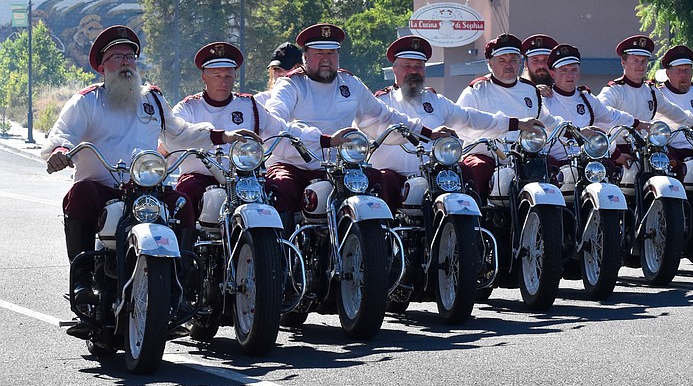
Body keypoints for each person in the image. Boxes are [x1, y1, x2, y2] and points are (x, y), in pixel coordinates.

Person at [42, 26, 245, 301]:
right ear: (102, 67)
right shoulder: (87, 100)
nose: (126, 62)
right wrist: (60, 151)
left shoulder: (153, 99)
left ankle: (179, 288)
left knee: (183, 205)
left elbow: (180, 133)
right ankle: (82, 282)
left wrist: (223, 135)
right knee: (79, 194)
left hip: (147, 189)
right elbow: (62, 133)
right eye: (117, 57)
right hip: (103, 188)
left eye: (130, 56)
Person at [262, 23, 442, 214]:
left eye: (331, 53)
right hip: (294, 165)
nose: (326, 59)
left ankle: (383, 237)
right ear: (305, 57)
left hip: (339, 168)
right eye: (319, 53)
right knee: (281, 187)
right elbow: (273, 122)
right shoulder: (290, 85)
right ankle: (280, 242)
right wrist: (324, 140)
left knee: (377, 181)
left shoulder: (350, 83)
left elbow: (382, 116)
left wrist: (426, 133)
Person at [171, 41, 321, 218]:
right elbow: (176, 135)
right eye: (216, 75)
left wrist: (326, 141)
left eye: (228, 76)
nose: (223, 82)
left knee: (276, 192)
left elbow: (281, 131)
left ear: (235, 75)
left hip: (245, 178)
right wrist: (219, 137)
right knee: (184, 198)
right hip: (200, 176)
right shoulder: (187, 107)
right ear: (204, 76)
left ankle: (279, 243)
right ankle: (186, 245)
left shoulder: (249, 105)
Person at [365, 36, 540, 182]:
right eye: (407, 66)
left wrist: (516, 123)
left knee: (465, 175)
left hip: (433, 177)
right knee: (382, 180)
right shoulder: (380, 102)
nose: (414, 71)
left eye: (419, 66)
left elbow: (469, 118)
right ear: (394, 69)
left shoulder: (437, 101)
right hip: (394, 179)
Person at [456, 34, 544, 198]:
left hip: (522, 155)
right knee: (478, 169)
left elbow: (545, 120)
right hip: (485, 154)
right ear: (490, 64)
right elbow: (461, 124)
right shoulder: (476, 90)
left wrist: (579, 131)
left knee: (549, 167)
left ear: (521, 62)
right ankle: (476, 217)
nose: (508, 65)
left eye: (513, 60)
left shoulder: (531, 90)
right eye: (502, 60)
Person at [540, 43, 644, 162]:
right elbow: (547, 124)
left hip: (587, 162)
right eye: (564, 70)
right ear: (553, 73)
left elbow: (610, 116)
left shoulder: (586, 98)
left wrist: (637, 124)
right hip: (556, 165)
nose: (570, 75)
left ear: (579, 72)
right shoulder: (544, 98)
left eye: (574, 70)